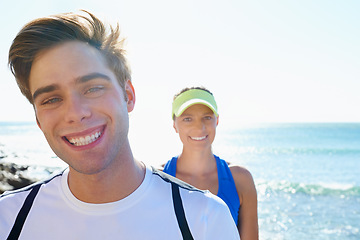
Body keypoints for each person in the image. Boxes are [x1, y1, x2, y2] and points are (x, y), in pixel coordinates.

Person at [0, 11, 240, 240]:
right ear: (38, 120)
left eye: (93, 88)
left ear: (129, 95)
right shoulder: (7, 220)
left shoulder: (204, 219)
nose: (75, 113)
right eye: (51, 99)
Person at [163, 87, 259, 239]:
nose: (199, 127)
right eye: (187, 119)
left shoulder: (240, 179)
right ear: (174, 124)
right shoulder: (158, 178)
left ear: (217, 120)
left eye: (207, 117)